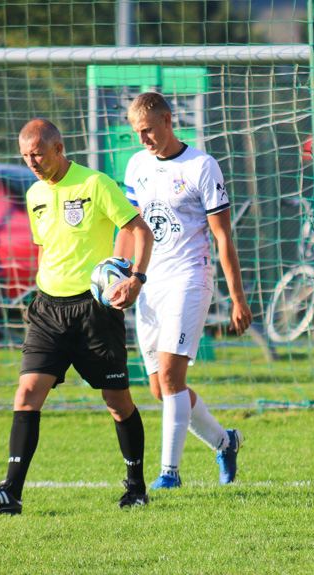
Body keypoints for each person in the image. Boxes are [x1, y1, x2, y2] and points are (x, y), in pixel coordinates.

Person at [0, 119, 154, 513]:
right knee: (26, 393)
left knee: (117, 401)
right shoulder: (34, 193)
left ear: (58, 148)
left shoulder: (96, 184)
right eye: (25, 155)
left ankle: (136, 486)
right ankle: (11, 492)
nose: (31, 161)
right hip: (48, 309)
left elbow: (141, 230)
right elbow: (50, 249)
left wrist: (134, 279)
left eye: (37, 153)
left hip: (94, 311)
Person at [114, 92, 253, 489]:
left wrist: (238, 299)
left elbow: (223, 237)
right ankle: (225, 443)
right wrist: (119, 274)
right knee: (160, 389)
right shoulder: (137, 164)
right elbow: (130, 226)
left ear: (168, 121)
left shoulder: (202, 166)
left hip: (189, 280)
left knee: (173, 378)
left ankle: (168, 474)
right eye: (137, 133)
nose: (143, 140)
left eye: (148, 131)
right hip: (146, 282)